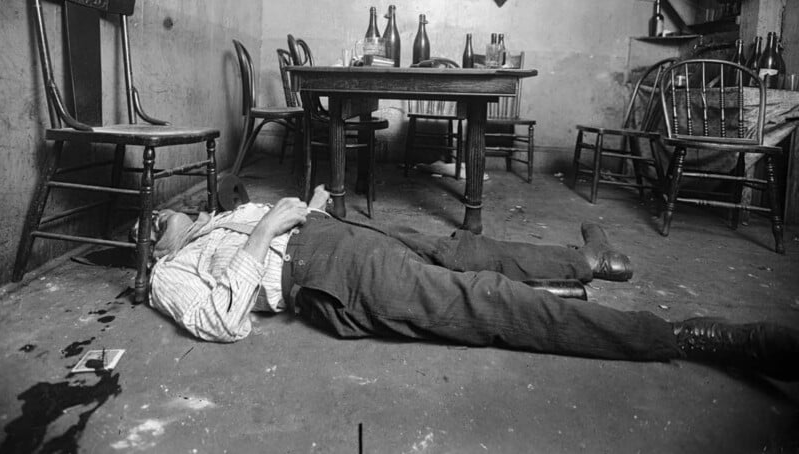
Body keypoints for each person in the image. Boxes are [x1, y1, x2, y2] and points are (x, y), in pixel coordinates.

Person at [147, 187, 799, 381]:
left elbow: (271, 220)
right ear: (153, 244)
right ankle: (682, 337)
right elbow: (221, 322)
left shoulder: (213, 223)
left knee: (463, 248)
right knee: (477, 301)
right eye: (161, 218)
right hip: (318, 275)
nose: (180, 212)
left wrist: (301, 208)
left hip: (327, 232)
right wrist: (266, 233)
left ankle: (585, 266)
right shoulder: (167, 275)